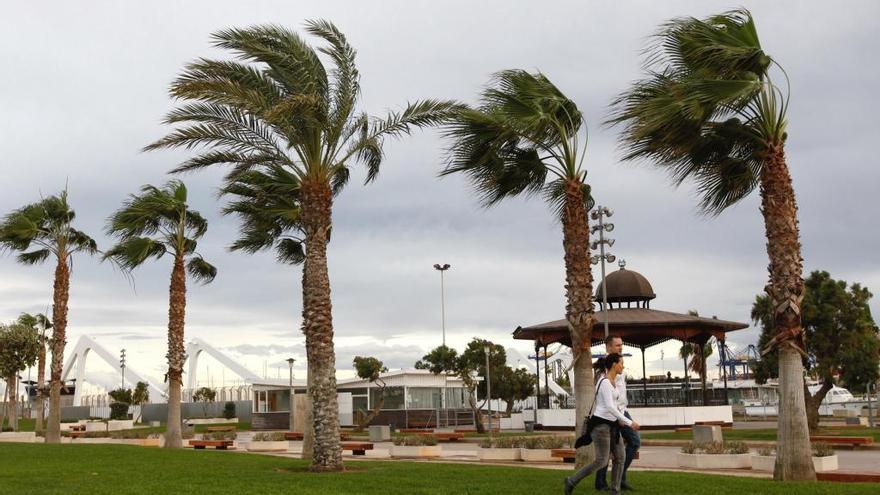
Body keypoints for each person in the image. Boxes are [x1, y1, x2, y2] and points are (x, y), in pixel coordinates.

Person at [565, 353, 640, 495]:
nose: (623, 366)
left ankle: (615, 491)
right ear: (614, 364)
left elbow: (616, 406)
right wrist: (629, 422)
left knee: (620, 457)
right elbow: (610, 407)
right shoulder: (604, 382)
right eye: (621, 363)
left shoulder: (614, 382)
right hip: (600, 427)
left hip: (613, 426)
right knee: (601, 461)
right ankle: (571, 481)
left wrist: (619, 420)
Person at [595, 335, 641, 491]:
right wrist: (620, 417)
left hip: (622, 411)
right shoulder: (605, 366)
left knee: (627, 445)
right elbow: (608, 394)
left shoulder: (620, 363)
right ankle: (605, 481)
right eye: (617, 345)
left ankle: (617, 477)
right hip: (614, 413)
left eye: (621, 345)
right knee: (628, 443)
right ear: (608, 347)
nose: (621, 347)